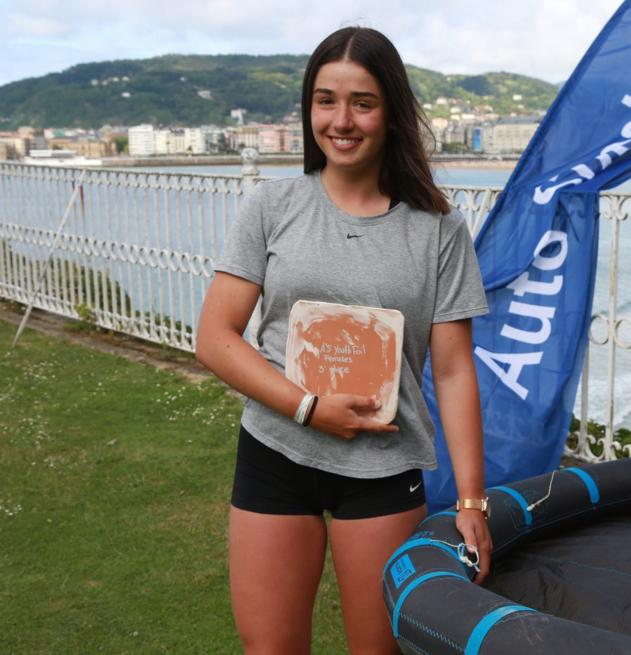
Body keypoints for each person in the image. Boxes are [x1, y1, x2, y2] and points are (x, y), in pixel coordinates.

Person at [196, 26, 491, 655]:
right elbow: (215, 338)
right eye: (326, 100)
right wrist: (307, 408)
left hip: (383, 471)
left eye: (363, 102)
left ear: (392, 113)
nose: (342, 120)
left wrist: (471, 501)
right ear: (309, 109)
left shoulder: (439, 229)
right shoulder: (272, 206)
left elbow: (455, 371)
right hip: (275, 453)